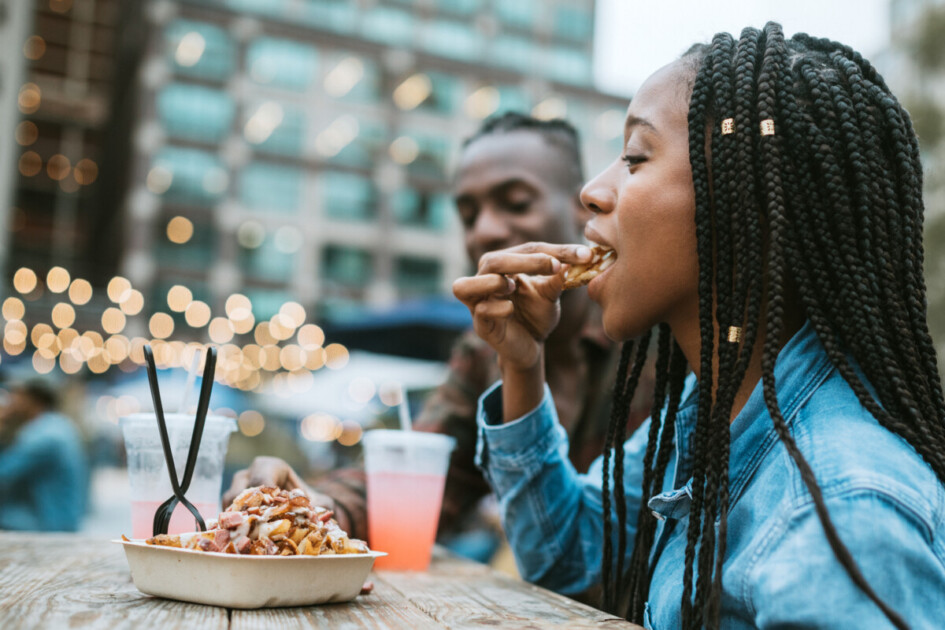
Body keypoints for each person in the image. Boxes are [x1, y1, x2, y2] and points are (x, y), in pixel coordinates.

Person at [453, 23, 945, 629]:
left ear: (747, 207)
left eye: (635, 158)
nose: (593, 191)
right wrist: (523, 365)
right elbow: (570, 555)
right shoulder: (717, 408)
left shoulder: (842, 508)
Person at [226, 113, 653, 555]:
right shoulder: (485, 349)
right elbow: (418, 469)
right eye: (468, 215)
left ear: (582, 204)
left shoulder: (650, 333)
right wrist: (313, 504)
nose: (485, 229)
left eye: (517, 203)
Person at [0, 379, 87, 531]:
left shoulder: (44, 436)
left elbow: (4, 473)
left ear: (31, 399)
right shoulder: (58, 424)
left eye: (16, 395)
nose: (10, 402)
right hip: (58, 518)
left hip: (49, 523)